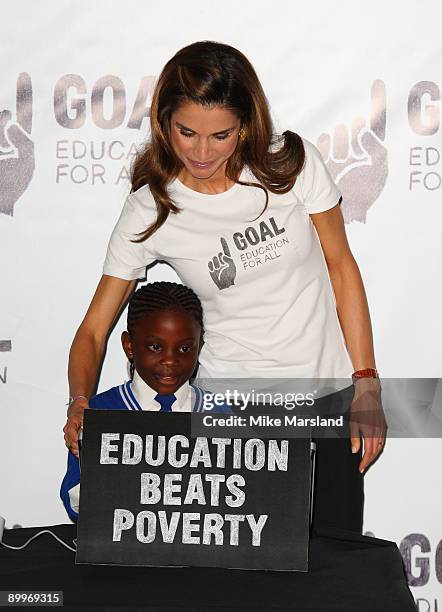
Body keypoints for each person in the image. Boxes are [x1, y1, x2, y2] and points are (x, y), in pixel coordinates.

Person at [64, 40, 386, 533]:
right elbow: (93, 331)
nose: (200, 151)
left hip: (324, 403)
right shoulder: (151, 208)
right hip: (228, 415)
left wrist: (366, 382)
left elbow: (342, 267)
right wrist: (79, 403)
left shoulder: (290, 164)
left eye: (221, 135)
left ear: (245, 125)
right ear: (164, 121)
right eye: (186, 132)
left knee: (333, 572)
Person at [60, 281, 230, 521]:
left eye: (184, 349)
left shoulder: (222, 414)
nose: (170, 360)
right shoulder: (100, 413)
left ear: (199, 346)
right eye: (155, 347)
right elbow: (74, 502)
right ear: (129, 345)